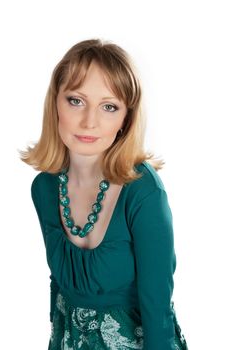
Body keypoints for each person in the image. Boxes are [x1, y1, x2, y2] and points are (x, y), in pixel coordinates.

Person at [19, 38, 188, 350]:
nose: (89, 121)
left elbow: (158, 313)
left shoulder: (143, 191)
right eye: (76, 101)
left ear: (126, 119)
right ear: (55, 103)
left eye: (109, 106)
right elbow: (59, 296)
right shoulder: (44, 188)